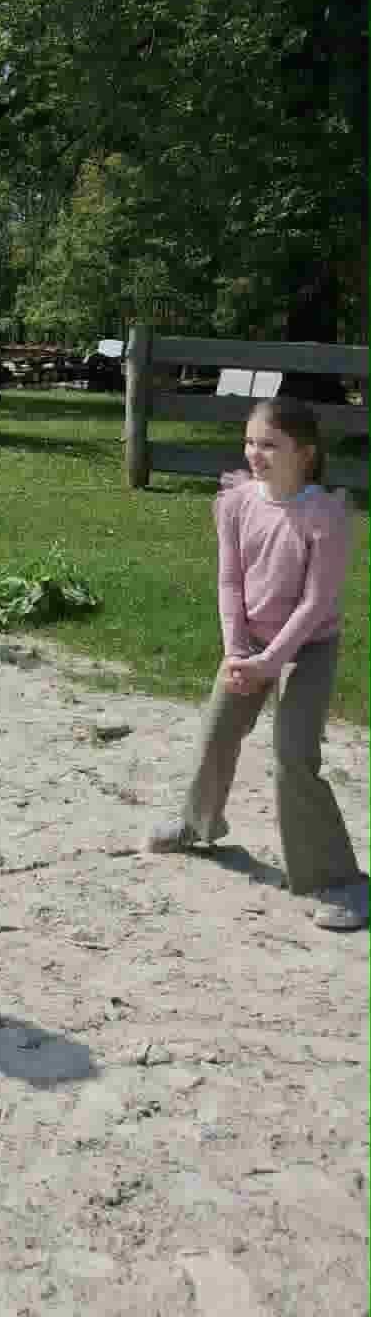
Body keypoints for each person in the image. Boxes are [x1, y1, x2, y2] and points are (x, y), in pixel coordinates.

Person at [146, 398, 367, 932]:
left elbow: (316, 602)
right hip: (249, 647)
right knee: (217, 732)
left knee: (293, 755)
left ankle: (340, 881)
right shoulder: (237, 502)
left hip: (306, 648)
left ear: (305, 453)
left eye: (270, 444)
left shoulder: (324, 514)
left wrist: (272, 661)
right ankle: (198, 824)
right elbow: (229, 582)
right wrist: (236, 650)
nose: (255, 453)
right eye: (250, 441)